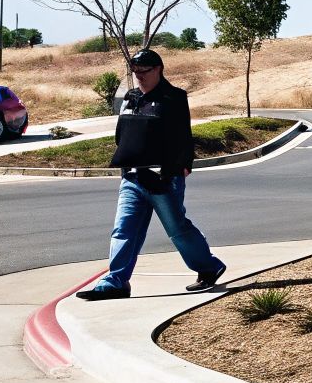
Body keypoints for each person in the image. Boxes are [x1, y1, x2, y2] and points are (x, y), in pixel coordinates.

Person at [75, 49, 227, 300]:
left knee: (177, 228)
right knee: (123, 230)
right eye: (135, 71)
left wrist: (180, 167)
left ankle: (209, 266)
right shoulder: (131, 98)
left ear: (158, 69)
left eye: (144, 71)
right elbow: (121, 134)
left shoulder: (173, 97)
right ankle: (116, 282)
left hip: (162, 178)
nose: (139, 76)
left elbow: (183, 137)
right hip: (132, 177)